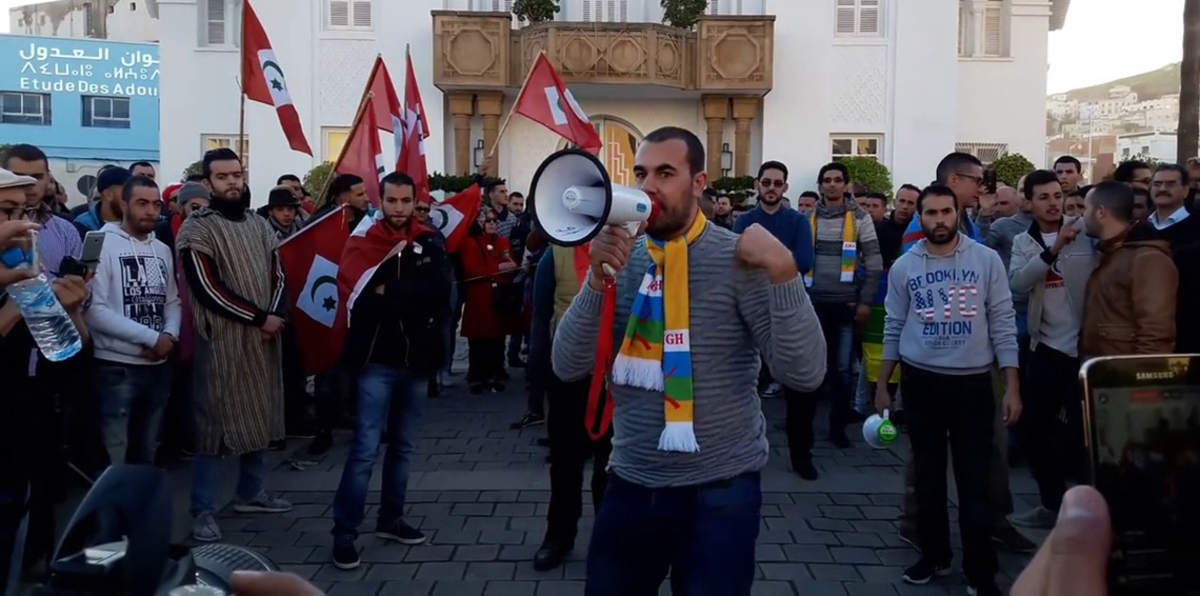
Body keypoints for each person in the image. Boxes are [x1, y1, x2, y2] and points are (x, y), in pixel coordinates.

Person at [552, 127, 826, 594]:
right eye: (641, 173)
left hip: (721, 491)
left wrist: (783, 273)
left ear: (699, 183)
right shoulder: (624, 259)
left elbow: (803, 373)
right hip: (632, 481)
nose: (649, 186)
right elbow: (567, 365)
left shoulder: (738, 258)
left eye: (665, 173)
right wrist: (596, 283)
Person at [877, 185, 1020, 596]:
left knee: (976, 480)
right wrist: (884, 384)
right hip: (921, 382)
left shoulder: (985, 260)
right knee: (927, 477)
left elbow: (1003, 323)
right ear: (919, 217)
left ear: (959, 213)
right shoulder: (906, 266)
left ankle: (980, 571)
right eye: (931, 213)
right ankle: (935, 554)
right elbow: (894, 325)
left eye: (946, 211)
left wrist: (1012, 386)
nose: (939, 220)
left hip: (973, 383)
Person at [897, 152, 1034, 555]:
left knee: (979, 460)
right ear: (955, 180)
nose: (983, 187)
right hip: (932, 374)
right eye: (978, 179)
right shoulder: (918, 241)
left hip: (974, 371)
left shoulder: (973, 235)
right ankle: (925, 529)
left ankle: (985, 528)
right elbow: (908, 313)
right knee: (931, 462)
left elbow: (998, 313)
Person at [331, 172, 449, 569]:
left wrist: (392, 292)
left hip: (416, 364)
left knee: (403, 448)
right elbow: (359, 298)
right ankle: (344, 534)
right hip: (375, 363)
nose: (398, 208)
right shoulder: (363, 242)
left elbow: (438, 296)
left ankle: (391, 519)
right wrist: (405, 297)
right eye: (391, 200)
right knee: (364, 452)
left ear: (415, 201)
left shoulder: (430, 241)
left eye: (405, 201)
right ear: (380, 201)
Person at [176, 148, 291, 542]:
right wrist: (259, 318)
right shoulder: (197, 229)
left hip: (262, 341)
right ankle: (202, 510)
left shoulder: (260, 226)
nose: (232, 182)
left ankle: (251, 492)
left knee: (260, 414)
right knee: (214, 428)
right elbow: (207, 289)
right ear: (208, 184)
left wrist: (273, 317)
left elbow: (278, 274)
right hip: (223, 342)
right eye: (222, 177)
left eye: (236, 174)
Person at [0, 191, 91, 588]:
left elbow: (68, 348)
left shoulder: (24, 275)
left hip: (23, 416)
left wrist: (70, 310)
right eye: (7, 213)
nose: (23, 226)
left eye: (25, 213)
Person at [1007, 169, 1097, 530]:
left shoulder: (1087, 230)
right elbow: (1017, 283)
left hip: (1084, 347)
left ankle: (1087, 506)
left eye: (1057, 195)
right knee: (1034, 430)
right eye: (1043, 197)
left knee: (1082, 433)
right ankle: (1050, 503)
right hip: (1044, 346)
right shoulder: (1023, 242)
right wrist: (1053, 249)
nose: (1052, 203)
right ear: (1028, 201)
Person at [526, 242, 614, 571]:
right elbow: (540, 314)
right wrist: (538, 378)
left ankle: (607, 541)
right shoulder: (556, 252)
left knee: (610, 464)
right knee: (565, 463)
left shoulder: (628, 246)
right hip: (567, 373)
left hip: (613, 373)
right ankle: (559, 537)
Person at [85, 175, 181, 466]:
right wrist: (152, 338)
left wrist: (169, 337)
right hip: (116, 368)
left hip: (158, 366)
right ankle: (110, 514)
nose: (151, 211)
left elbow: (172, 301)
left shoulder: (162, 249)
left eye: (155, 204)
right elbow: (93, 309)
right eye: (142, 203)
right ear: (123, 203)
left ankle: (138, 513)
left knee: (146, 454)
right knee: (114, 459)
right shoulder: (99, 243)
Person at [796, 161, 882, 453]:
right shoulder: (806, 218)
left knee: (843, 369)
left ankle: (837, 428)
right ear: (820, 185)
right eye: (826, 180)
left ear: (845, 185)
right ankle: (803, 428)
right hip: (812, 304)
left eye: (837, 180)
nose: (831, 184)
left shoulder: (860, 218)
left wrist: (865, 301)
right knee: (811, 367)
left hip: (845, 304)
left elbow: (873, 262)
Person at [1079, 181, 1177, 358]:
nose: (1082, 215)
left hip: (1126, 377)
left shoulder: (1148, 258)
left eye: (1085, 209)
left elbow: (1155, 333)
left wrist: (1141, 379)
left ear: (1100, 212)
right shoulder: (1110, 253)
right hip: (1106, 371)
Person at [460, 207, 519, 393]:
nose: (492, 223)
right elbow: (472, 271)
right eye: (488, 220)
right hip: (479, 298)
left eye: (494, 220)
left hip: (498, 296)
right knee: (478, 341)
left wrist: (507, 267)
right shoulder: (470, 243)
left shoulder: (502, 241)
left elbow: (509, 261)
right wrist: (498, 269)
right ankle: (477, 376)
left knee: (498, 339)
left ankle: (495, 373)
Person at [3, 145, 82, 278]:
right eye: (19, 177)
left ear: (48, 179)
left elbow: (83, 286)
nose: (30, 184)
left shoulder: (66, 232)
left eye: (38, 177)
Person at [74, 166, 130, 236]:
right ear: (109, 194)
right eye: (126, 191)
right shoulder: (83, 226)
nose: (130, 197)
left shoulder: (137, 224)